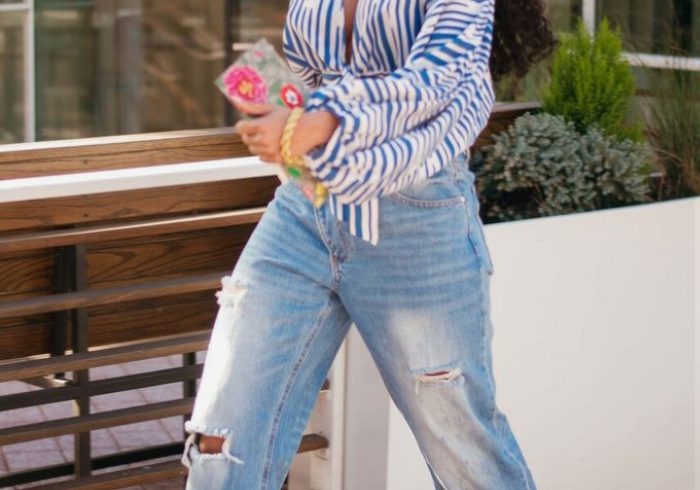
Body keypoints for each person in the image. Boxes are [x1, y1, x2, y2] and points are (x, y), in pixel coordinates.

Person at [181, 0, 554, 488]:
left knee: (461, 442)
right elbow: (309, 78)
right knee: (222, 435)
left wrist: (317, 122)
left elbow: (434, 81)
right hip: (306, 212)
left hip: (417, 223)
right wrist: (280, 109)